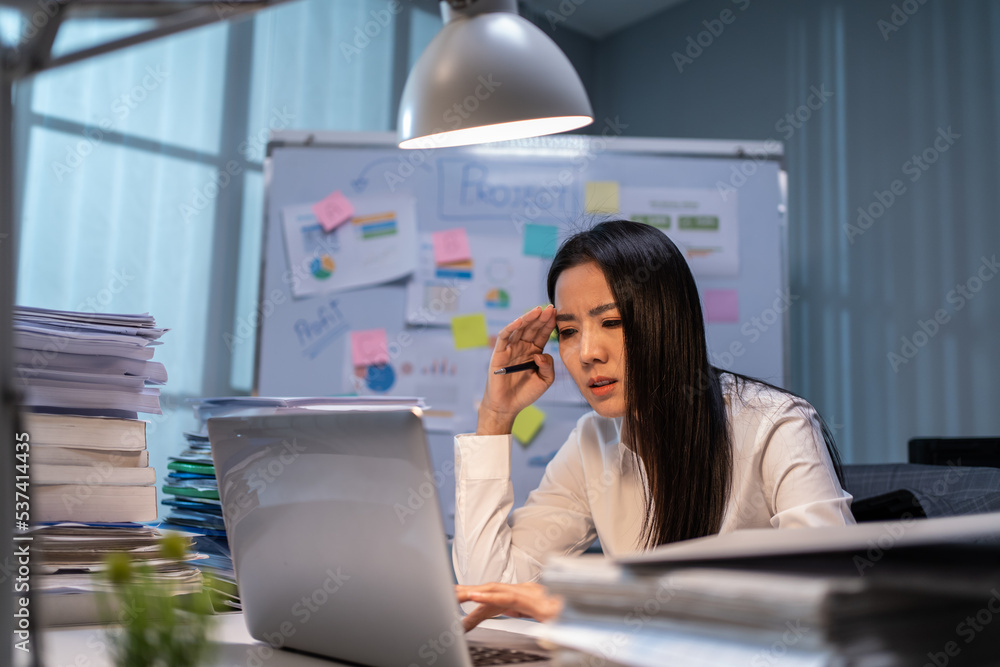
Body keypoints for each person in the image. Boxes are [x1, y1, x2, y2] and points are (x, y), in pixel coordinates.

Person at [453, 220, 855, 629]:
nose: (587, 353)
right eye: (569, 331)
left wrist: (594, 606)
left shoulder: (775, 425)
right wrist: (495, 419)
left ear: (666, 320)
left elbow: (834, 601)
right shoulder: (592, 441)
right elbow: (486, 595)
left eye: (611, 322)